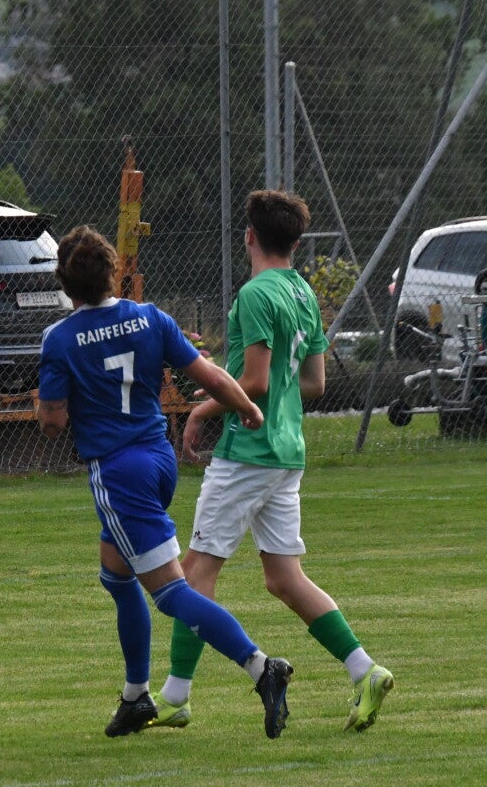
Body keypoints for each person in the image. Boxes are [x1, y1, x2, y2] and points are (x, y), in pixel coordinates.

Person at [36, 225, 296, 739]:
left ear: (64, 283)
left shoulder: (60, 338)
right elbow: (211, 375)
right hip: (158, 458)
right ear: (112, 273)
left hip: (118, 472)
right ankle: (136, 696)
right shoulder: (150, 317)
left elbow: (52, 421)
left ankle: (261, 667)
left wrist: (50, 404)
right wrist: (246, 407)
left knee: (172, 593)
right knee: (116, 576)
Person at [172, 190, 395, 732]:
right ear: (295, 243)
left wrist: (204, 405)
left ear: (249, 236)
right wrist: (240, 384)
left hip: (248, 451)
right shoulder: (302, 292)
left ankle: (175, 698)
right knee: (283, 578)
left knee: (194, 575)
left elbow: (253, 381)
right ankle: (364, 670)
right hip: (287, 451)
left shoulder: (255, 294)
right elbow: (314, 383)